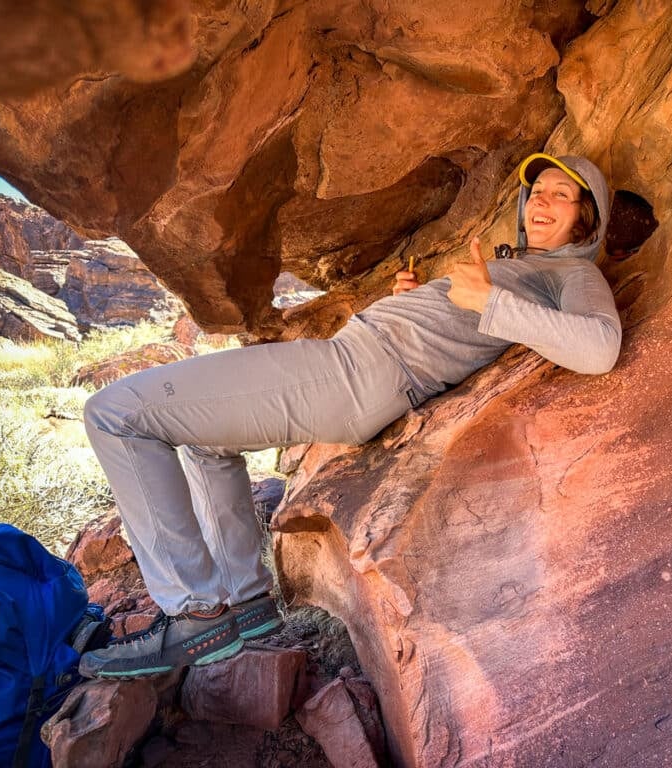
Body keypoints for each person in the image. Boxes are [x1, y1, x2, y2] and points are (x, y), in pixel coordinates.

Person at [77, 153, 622, 678]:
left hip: (359, 372)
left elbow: (599, 348)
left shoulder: (570, 276)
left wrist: (486, 300)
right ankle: (245, 604)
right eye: (537, 191)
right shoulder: (520, 266)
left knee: (116, 412)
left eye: (562, 194)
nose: (542, 202)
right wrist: (419, 300)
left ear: (585, 218)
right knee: (205, 441)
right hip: (359, 366)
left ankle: (195, 615)